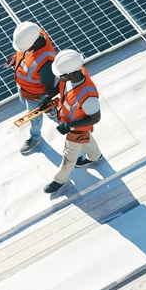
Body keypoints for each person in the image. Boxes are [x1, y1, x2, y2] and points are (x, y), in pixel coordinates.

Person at [44, 49, 104, 194]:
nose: (60, 78)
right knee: (86, 139)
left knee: (69, 156)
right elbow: (61, 87)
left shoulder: (87, 95)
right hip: (73, 123)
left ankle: (60, 179)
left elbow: (95, 118)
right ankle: (95, 156)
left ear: (71, 74)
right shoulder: (74, 73)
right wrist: (48, 97)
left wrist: (70, 126)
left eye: (61, 76)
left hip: (76, 128)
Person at [8, 21, 58, 155]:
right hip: (24, 89)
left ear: (34, 43)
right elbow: (24, 54)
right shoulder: (32, 34)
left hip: (36, 96)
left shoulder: (45, 61)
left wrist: (45, 101)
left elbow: (51, 86)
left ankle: (35, 137)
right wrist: (15, 58)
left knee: (35, 119)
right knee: (24, 103)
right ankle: (52, 111)